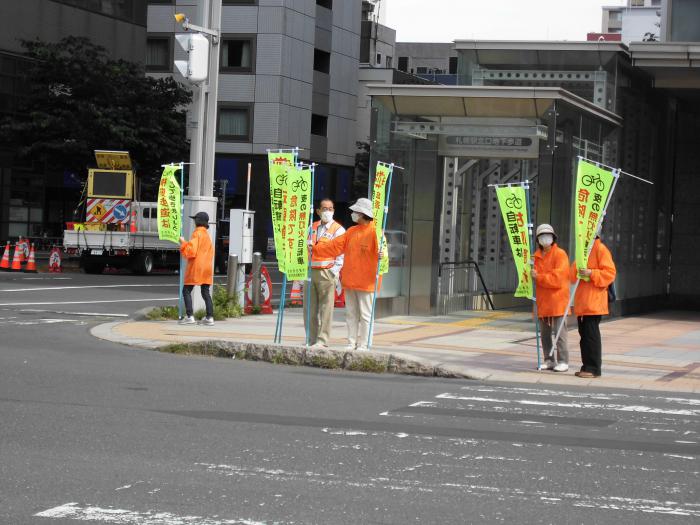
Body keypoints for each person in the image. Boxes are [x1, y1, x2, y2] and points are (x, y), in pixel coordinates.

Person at [312, 197, 380, 352]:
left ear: (363, 214)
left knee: (365, 315)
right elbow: (334, 247)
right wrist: (315, 249)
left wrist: (382, 255)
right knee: (351, 314)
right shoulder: (351, 231)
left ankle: (364, 344)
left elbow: (383, 256)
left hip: (366, 282)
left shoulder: (376, 233)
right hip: (350, 280)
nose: (353, 214)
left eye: (356, 211)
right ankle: (351, 342)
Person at [570, 236, 616, 378]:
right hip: (583, 302)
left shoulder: (601, 249)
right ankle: (586, 366)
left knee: (591, 336)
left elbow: (610, 274)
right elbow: (571, 276)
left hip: (594, 301)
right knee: (584, 336)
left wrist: (591, 273)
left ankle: (594, 368)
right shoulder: (582, 251)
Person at [305, 198, 346, 348]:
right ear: (318, 211)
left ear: (334, 211)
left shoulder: (338, 229)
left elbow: (342, 253)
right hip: (310, 272)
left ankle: (322, 340)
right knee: (310, 309)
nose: (327, 211)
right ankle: (311, 339)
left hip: (326, 272)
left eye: (330, 208)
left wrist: (333, 272)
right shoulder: (312, 226)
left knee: (326, 310)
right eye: (324, 208)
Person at [531, 223, 570, 372]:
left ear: (553, 238)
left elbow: (558, 279)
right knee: (545, 334)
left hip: (558, 300)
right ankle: (549, 360)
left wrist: (539, 277)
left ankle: (563, 361)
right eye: (541, 236)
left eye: (547, 235)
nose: (545, 238)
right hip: (543, 301)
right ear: (538, 239)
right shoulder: (535, 256)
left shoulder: (560, 254)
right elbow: (529, 276)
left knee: (560, 333)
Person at [179, 211, 215, 326]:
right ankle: (209, 317)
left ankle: (189, 316)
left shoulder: (197, 233)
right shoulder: (207, 236)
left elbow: (191, 251)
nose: (194, 221)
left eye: (195, 219)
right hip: (206, 268)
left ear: (198, 221)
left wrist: (183, 242)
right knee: (205, 292)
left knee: (186, 290)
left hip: (196, 267)